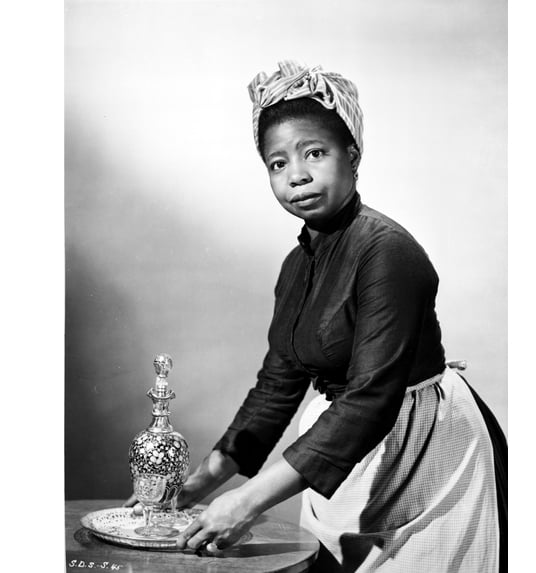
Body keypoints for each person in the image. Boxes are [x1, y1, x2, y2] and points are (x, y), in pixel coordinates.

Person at [125, 61, 507, 572]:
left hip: (424, 453)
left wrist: (247, 500)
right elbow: (276, 388)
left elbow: (369, 401)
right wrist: (194, 486)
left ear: (352, 156)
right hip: (349, 453)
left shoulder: (388, 252)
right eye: (277, 163)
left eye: (315, 153)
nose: (297, 175)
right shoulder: (295, 265)